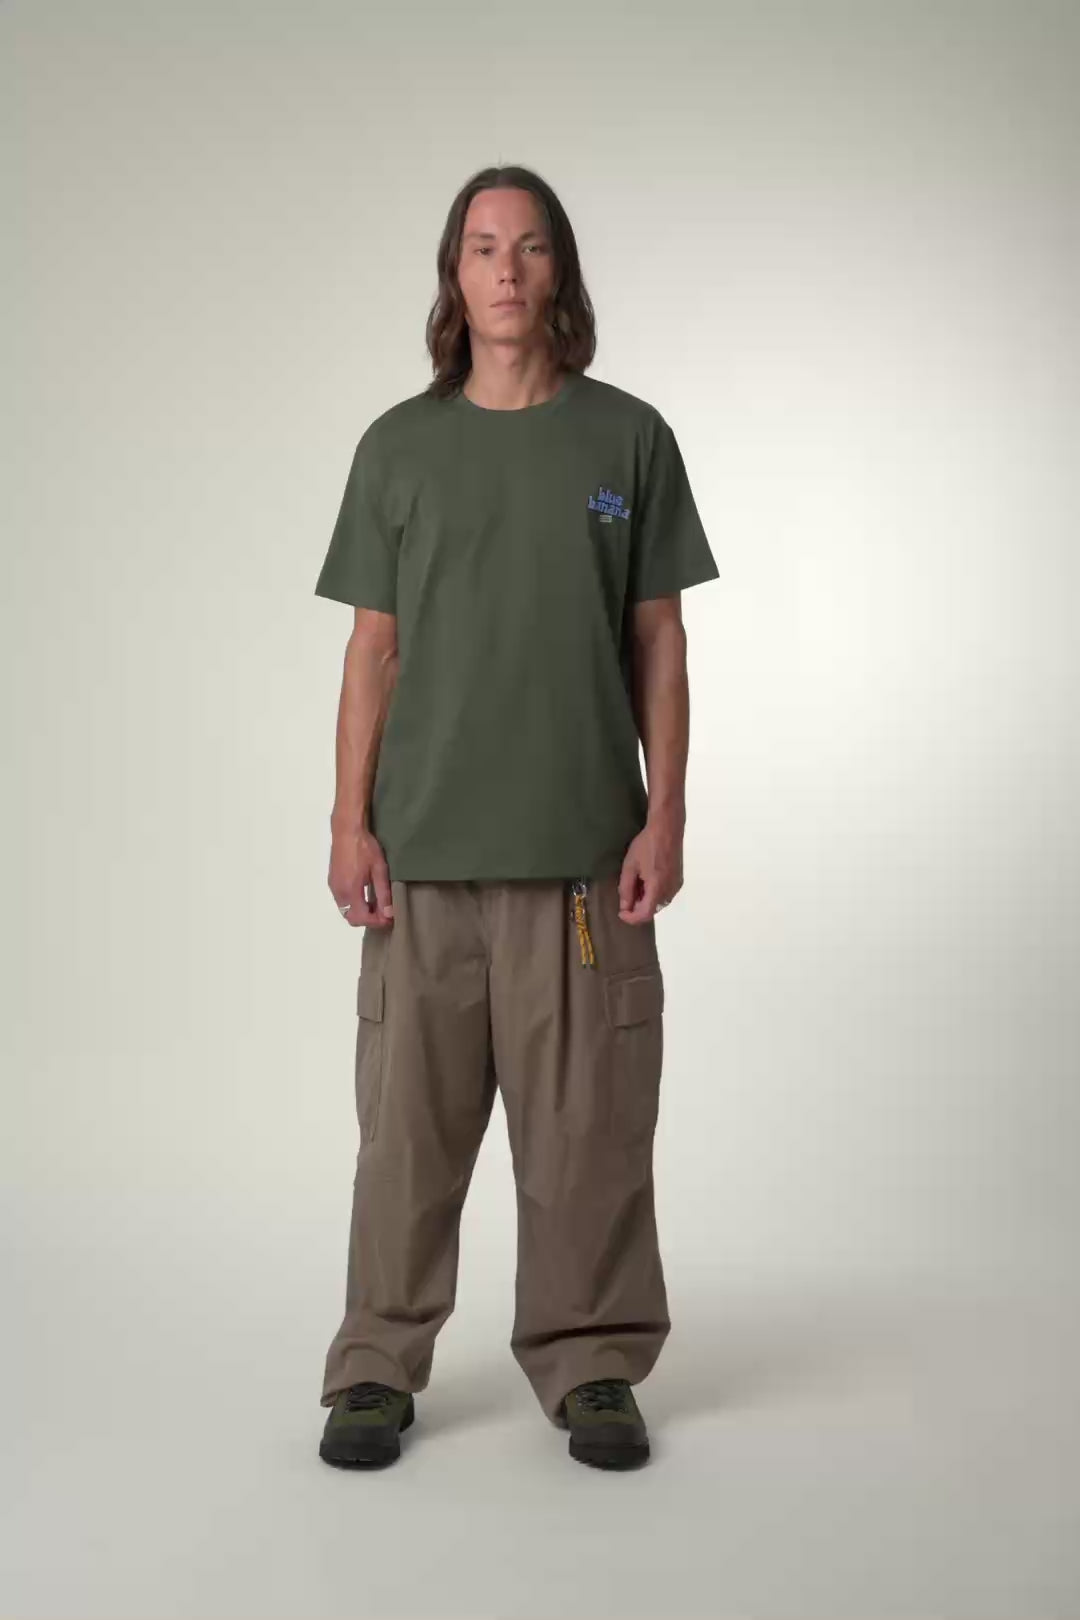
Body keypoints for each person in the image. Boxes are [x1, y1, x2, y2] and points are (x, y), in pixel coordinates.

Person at [312, 164, 719, 1471]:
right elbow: (372, 652)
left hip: (584, 864)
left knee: (590, 1136)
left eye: (530, 246)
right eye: (483, 246)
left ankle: (592, 1361)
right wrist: (348, 823)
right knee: (405, 1143)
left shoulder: (628, 440)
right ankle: (375, 1365)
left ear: (559, 273)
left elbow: (660, 642)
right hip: (423, 859)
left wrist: (665, 815)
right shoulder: (398, 447)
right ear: (454, 273)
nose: (506, 268)